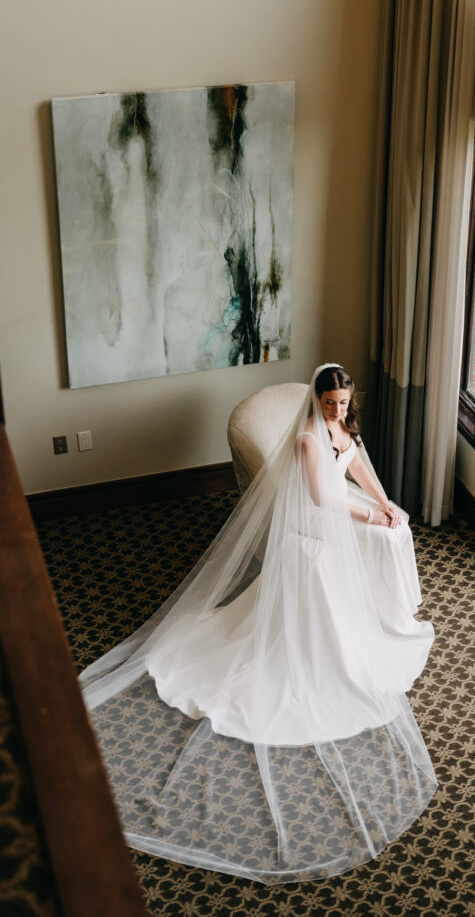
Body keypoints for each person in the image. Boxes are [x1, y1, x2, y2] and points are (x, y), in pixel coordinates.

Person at [79, 364, 436, 883]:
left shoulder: (344, 427)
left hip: (344, 517)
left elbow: (359, 471)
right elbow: (321, 500)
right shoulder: (310, 441)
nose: (337, 411)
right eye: (331, 403)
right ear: (318, 400)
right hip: (314, 529)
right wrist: (369, 517)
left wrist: (383, 503)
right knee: (305, 624)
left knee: (384, 537)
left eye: (343, 403)